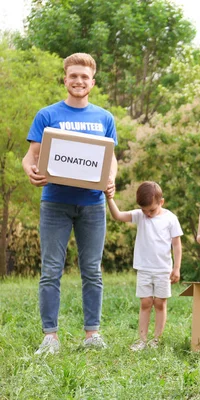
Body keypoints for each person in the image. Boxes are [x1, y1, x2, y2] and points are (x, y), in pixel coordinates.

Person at [22, 53, 118, 354]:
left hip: (92, 205)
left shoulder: (104, 118)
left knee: (92, 270)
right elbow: (32, 156)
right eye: (73, 75)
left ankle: (92, 335)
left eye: (84, 77)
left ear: (93, 82)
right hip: (55, 203)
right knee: (51, 270)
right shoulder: (47, 115)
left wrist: (111, 179)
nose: (78, 81)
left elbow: (110, 158)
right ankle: (50, 337)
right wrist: (30, 171)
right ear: (65, 78)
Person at [106, 181, 183, 351]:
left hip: (163, 269)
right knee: (146, 302)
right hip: (144, 269)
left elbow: (177, 245)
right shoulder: (140, 216)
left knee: (160, 303)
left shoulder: (170, 219)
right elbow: (118, 216)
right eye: (144, 210)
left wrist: (176, 268)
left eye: (151, 210)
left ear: (161, 202)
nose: (147, 214)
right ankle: (142, 340)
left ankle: (156, 340)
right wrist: (109, 197)